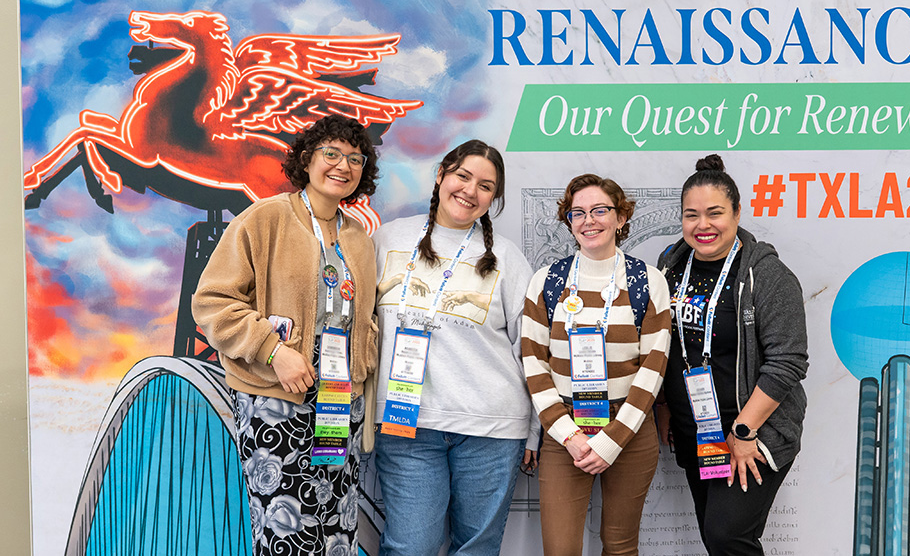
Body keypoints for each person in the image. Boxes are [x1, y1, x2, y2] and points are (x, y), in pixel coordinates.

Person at [192, 114, 380, 556]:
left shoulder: (358, 238)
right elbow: (212, 301)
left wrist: (360, 368)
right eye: (330, 153)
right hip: (276, 397)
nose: (343, 165)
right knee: (285, 526)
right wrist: (274, 351)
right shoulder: (266, 218)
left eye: (355, 158)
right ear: (306, 160)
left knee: (337, 520)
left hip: (339, 398)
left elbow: (365, 319)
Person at [372, 139, 539, 556]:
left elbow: (533, 349)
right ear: (442, 174)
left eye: (486, 186)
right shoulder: (387, 239)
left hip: (492, 429)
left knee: (476, 550)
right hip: (405, 423)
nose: (470, 190)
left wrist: (535, 430)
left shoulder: (507, 258)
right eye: (463, 176)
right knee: (411, 549)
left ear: (494, 198)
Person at [654, 154, 808, 556]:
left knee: (728, 536)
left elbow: (788, 361)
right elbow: (667, 344)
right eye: (691, 215)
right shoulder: (670, 267)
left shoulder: (767, 275)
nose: (702, 225)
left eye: (715, 213)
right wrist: (665, 404)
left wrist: (743, 432)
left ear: (738, 213)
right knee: (716, 539)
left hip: (748, 434)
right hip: (698, 432)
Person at [521, 173, 670, 555]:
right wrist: (570, 436)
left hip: (631, 431)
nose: (589, 220)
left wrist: (613, 439)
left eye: (600, 210)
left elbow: (653, 368)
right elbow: (534, 363)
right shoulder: (546, 282)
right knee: (560, 549)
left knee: (620, 547)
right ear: (569, 222)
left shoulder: (647, 282)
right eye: (578, 213)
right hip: (564, 432)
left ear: (621, 218)